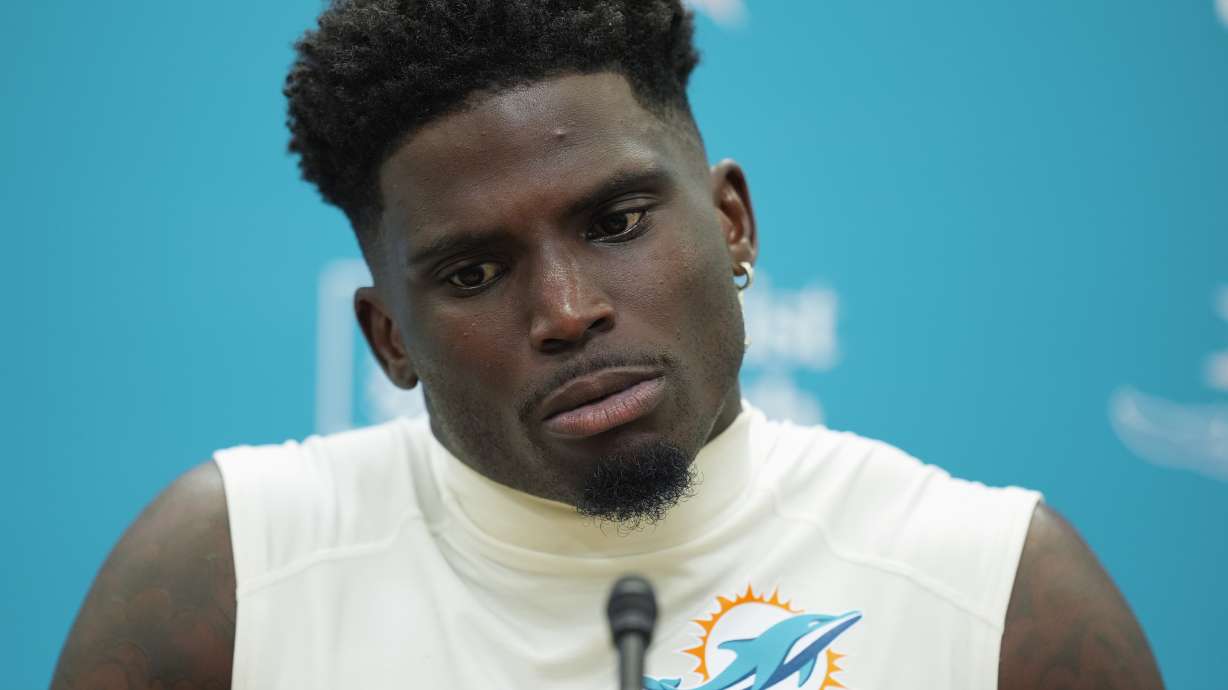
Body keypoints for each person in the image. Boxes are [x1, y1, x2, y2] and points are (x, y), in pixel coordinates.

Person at [51, 1, 1164, 688]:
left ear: (731, 222)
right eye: (474, 272)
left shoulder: (994, 591)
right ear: (390, 337)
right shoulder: (229, 577)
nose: (567, 310)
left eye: (617, 222)